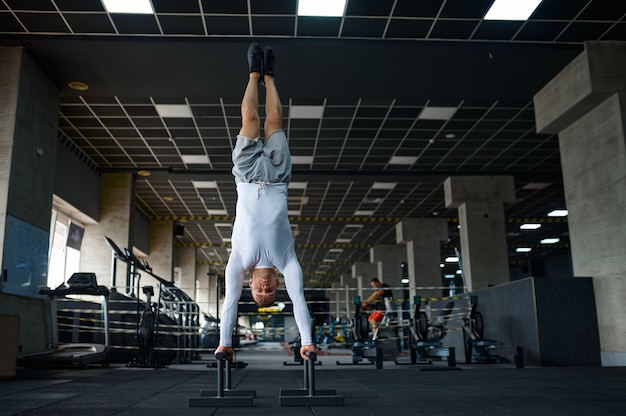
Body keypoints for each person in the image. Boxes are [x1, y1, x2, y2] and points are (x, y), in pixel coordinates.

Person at [215, 42, 316, 362]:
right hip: (277, 179)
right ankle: (269, 76)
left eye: (259, 292)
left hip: (245, 177)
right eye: (269, 292)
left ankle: (252, 72)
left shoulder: (239, 262)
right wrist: (307, 342)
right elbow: (298, 299)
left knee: (249, 118)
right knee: (274, 118)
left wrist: (224, 342)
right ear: (275, 286)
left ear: (252, 285)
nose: (264, 290)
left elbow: (230, 300)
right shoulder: (287, 262)